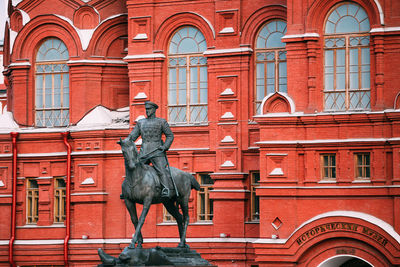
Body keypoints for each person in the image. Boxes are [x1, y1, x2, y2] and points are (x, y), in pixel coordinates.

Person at [125, 101, 175, 198]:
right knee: (133, 168)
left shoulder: (161, 122)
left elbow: (170, 136)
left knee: (161, 170)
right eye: (146, 109)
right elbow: (132, 136)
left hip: (157, 151)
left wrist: (164, 147)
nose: (147, 111)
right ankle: (129, 189)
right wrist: (125, 141)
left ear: (154, 110)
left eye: (149, 109)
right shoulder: (141, 123)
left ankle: (165, 189)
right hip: (144, 152)